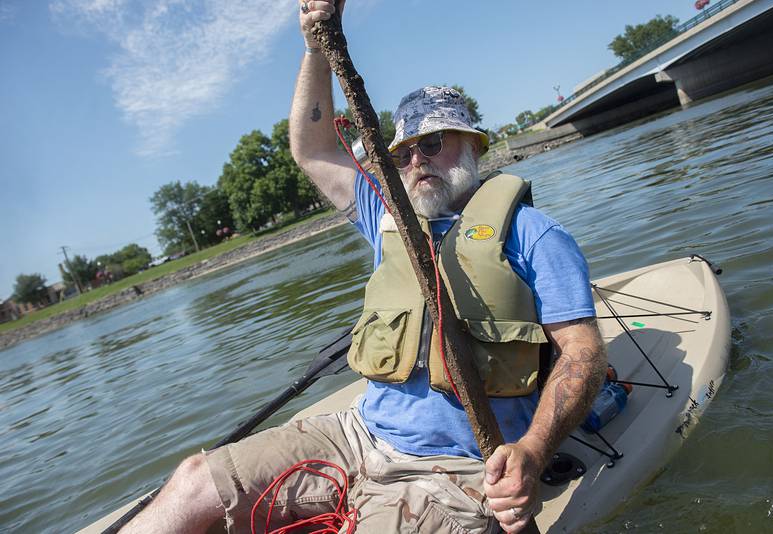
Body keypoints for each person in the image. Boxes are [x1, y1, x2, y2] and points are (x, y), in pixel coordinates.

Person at [120, 2, 606, 533]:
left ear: (473, 144)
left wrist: (532, 452)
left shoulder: (534, 234)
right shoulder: (387, 217)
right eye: (403, 153)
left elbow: (581, 352)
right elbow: (312, 150)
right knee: (195, 479)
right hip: (355, 435)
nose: (417, 160)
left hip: (454, 470)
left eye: (434, 143)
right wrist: (313, 47)